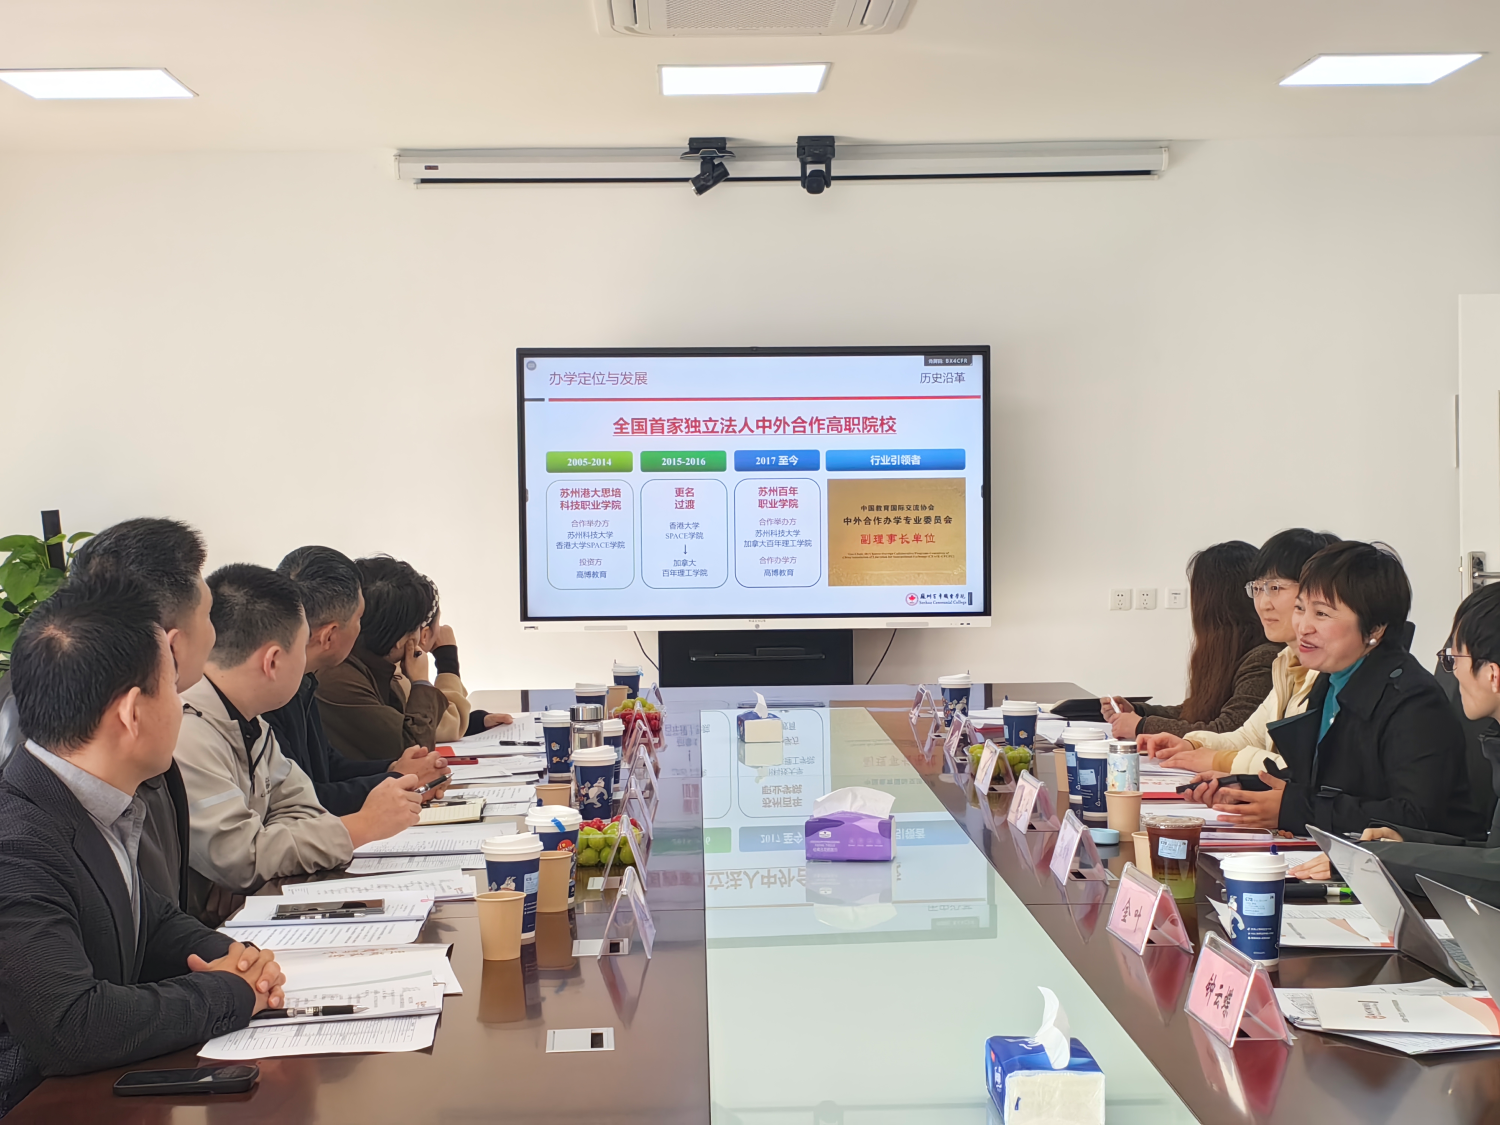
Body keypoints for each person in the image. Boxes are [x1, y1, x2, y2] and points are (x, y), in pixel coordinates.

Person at [0, 578, 283, 1114]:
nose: (182, 706)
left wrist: (236, 959)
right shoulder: (17, 843)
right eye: (173, 690)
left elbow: (146, 920)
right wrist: (228, 992)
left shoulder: (87, 798)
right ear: (132, 713)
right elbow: (69, 1025)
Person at [174, 564, 423, 922]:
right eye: (301, 649)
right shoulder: (188, 730)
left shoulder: (251, 721)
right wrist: (359, 827)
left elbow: (302, 805)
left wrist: (265, 852)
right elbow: (242, 858)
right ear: (274, 661)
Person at [1187, 541, 1484, 838]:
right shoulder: (1329, 680)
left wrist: (1292, 809)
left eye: (1322, 614)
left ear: (1375, 628)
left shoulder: (1413, 701)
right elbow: (1323, 786)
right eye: (1300, 608)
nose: (1303, 626)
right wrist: (1245, 789)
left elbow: (1414, 816)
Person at [1, 518, 217, 912]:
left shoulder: (131, 733)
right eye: (208, 615)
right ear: (172, 646)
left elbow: (151, 918)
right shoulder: (81, 755)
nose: (216, 634)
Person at [1291, 583, 1500, 901]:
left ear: (1492, 675)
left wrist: (1377, 860)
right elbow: (1490, 854)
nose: (1453, 672)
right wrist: (1407, 843)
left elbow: (1494, 872)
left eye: (1454, 658)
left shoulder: (1412, 698)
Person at [1137, 529, 1339, 774]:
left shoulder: (1330, 672)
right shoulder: (1287, 662)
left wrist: (1220, 760)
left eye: (1275, 587)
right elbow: (1248, 736)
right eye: (1257, 588)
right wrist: (1192, 744)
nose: (1263, 603)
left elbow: (1306, 768)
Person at [269, 546, 450, 815]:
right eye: (358, 619)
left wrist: (394, 770)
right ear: (330, 635)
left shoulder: (303, 680)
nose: (362, 629)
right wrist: (398, 779)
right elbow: (304, 798)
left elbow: (329, 765)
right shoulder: (282, 690)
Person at [317, 555, 510, 761]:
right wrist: (421, 683)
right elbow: (415, 750)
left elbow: (396, 727)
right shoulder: (340, 678)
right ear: (401, 640)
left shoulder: (373, 665)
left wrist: (475, 723)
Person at [1100, 541, 1280, 739]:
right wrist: (1139, 711)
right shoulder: (1230, 652)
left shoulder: (1265, 657)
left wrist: (1141, 726)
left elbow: (1228, 731)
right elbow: (1197, 711)